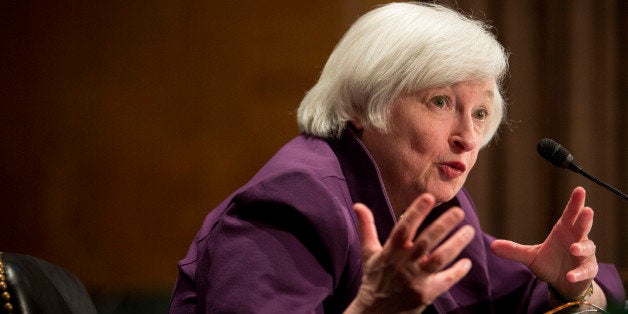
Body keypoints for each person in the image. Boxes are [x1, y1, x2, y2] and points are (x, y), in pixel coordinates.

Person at [169, 2, 625, 313]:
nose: (468, 137)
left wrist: (572, 284)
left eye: (481, 113)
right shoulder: (292, 203)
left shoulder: (428, 202)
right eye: (441, 102)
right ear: (365, 104)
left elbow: (517, 290)